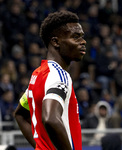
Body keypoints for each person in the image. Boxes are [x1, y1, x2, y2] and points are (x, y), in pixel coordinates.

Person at [14, 10, 86, 150]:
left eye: (82, 36)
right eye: (76, 37)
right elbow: (50, 119)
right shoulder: (59, 75)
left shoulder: (38, 75)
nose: (83, 41)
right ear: (56, 42)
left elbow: (20, 115)